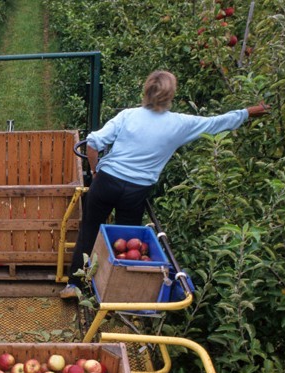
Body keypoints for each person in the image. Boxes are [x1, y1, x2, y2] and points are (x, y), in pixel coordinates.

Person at [60, 70, 270, 299]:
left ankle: (75, 285)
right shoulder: (180, 124)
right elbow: (216, 123)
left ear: (145, 90)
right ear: (171, 95)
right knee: (127, 242)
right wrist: (247, 113)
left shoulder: (128, 116)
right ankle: (111, 294)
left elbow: (93, 142)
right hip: (136, 191)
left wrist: (95, 170)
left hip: (107, 182)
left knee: (90, 230)